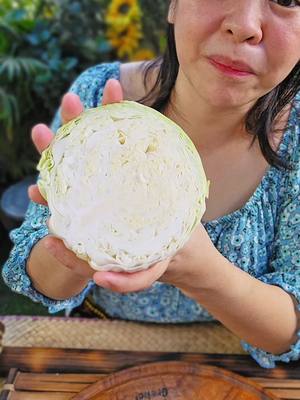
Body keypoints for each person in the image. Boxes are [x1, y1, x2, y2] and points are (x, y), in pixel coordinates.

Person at [2, 0, 300, 369]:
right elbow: (37, 277)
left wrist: (204, 274)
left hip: (232, 370)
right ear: (173, 5)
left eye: (287, 0)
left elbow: (290, 330)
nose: (244, 26)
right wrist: (76, 247)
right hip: (100, 357)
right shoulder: (98, 97)